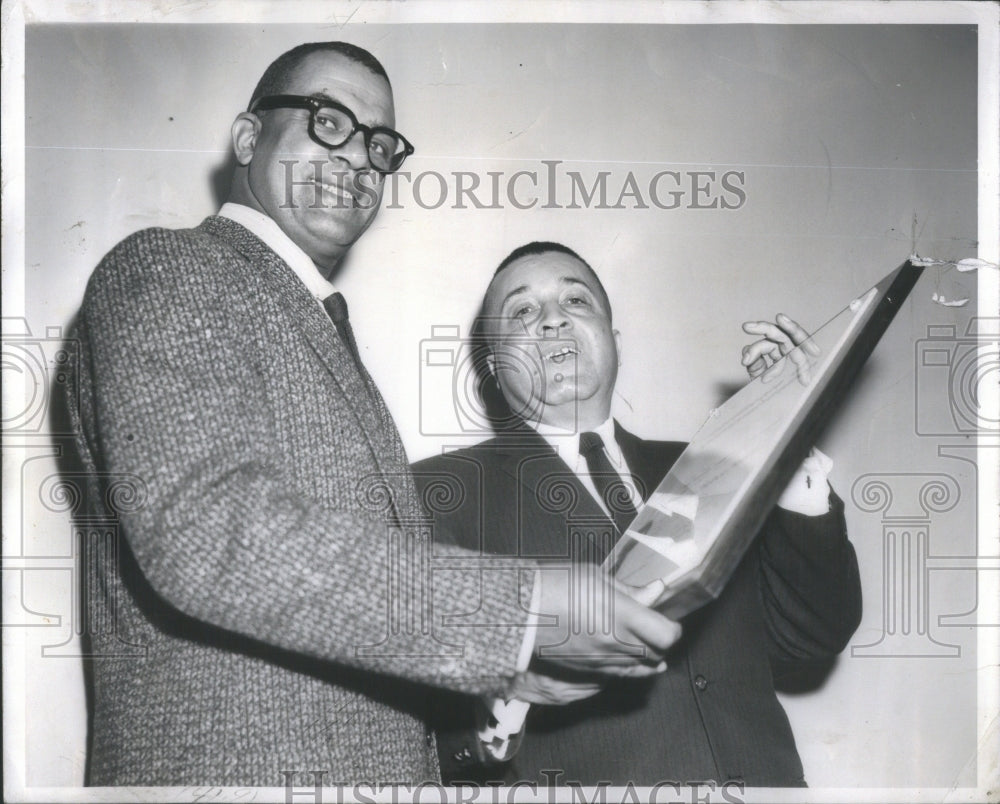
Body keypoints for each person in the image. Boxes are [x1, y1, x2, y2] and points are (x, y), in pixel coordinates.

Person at [65, 45, 681, 787]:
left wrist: (503, 677)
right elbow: (207, 530)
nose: (358, 155)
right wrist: (524, 613)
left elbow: (336, 612)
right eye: (328, 121)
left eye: (379, 143)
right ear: (248, 138)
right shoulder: (169, 268)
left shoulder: (323, 331)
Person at [413, 241, 863, 787]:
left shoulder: (716, 460)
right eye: (524, 310)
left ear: (614, 341)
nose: (554, 319)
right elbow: (418, 726)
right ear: (491, 365)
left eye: (576, 301)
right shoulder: (433, 493)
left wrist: (785, 442)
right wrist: (500, 706)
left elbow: (808, 637)